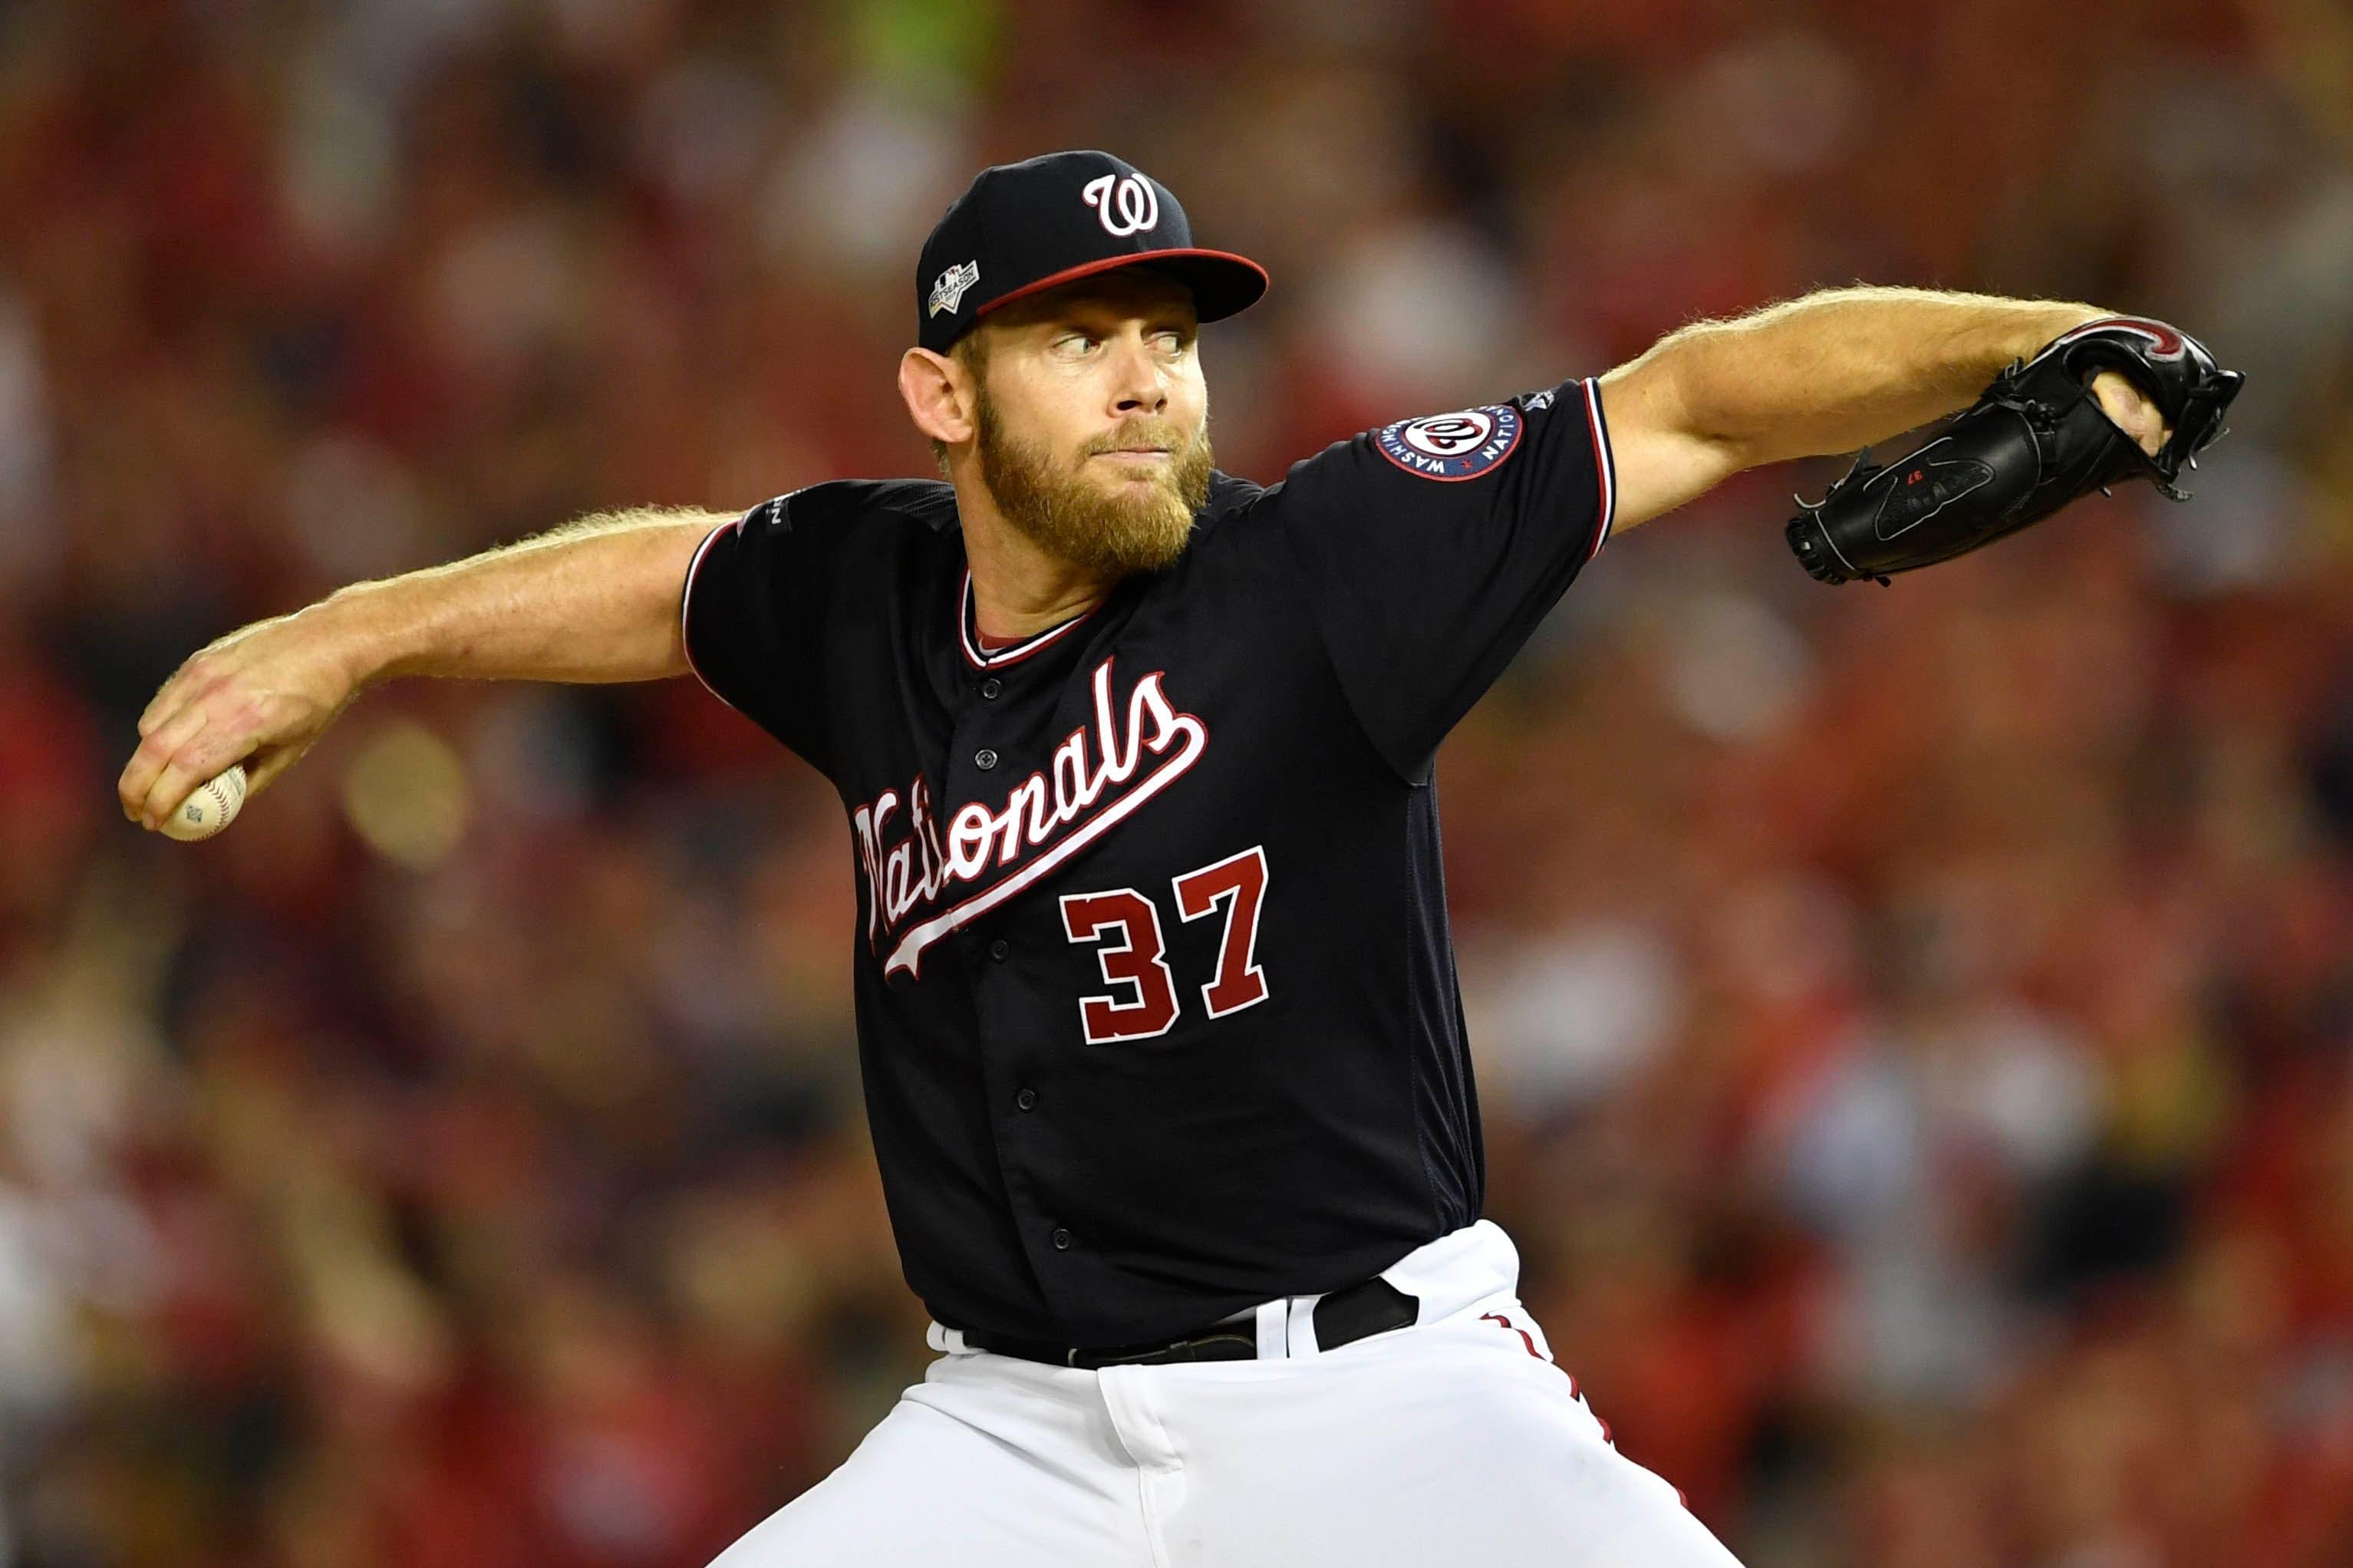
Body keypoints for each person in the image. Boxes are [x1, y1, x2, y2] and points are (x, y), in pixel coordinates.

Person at [117, 150, 2173, 1567]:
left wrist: (2061, 325)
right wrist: (349, 636)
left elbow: (1698, 394)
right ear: (943, 386)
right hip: (1009, 1433)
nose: (1143, 373)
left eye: (1167, 332)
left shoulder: (1332, 567)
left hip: (1375, 1393)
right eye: (1073, 333)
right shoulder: (863, 592)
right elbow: (664, 578)